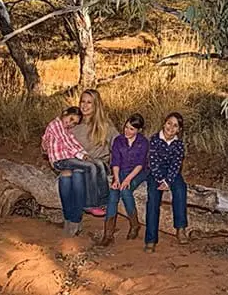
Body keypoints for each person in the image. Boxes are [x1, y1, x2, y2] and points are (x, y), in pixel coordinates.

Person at [41, 106, 102, 234]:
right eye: (71, 119)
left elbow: (74, 143)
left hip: (68, 160)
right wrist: (83, 156)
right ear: (64, 113)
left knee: (77, 174)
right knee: (90, 167)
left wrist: (85, 154)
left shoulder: (66, 129)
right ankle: (91, 203)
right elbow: (66, 144)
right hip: (61, 161)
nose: (71, 123)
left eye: (74, 123)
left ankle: (71, 220)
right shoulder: (55, 125)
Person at [99, 113, 149, 246]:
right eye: (126, 127)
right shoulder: (118, 140)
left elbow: (140, 164)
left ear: (139, 130)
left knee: (126, 191)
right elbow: (115, 162)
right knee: (113, 194)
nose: (127, 131)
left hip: (138, 172)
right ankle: (108, 233)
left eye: (132, 129)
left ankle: (134, 225)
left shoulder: (143, 142)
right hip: (121, 171)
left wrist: (127, 180)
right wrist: (116, 179)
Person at [144, 112, 188, 252]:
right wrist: (159, 180)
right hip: (155, 172)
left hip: (172, 173)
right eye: (169, 123)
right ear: (164, 123)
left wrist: (168, 181)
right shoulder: (155, 140)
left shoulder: (179, 144)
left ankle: (180, 228)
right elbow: (152, 162)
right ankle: (151, 239)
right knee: (153, 198)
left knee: (181, 189)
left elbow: (176, 164)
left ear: (179, 130)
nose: (171, 127)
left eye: (175, 126)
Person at [72, 88, 119, 215]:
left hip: (100, 165)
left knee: (95, 165)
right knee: (76, 174)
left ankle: (103, 201)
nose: (84, 105)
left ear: (96, 105)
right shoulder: (74, 124)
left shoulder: (104, 125)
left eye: (89, 102)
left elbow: (119, 145)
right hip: (79, 164)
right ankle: (75, 217)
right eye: (83, 101)